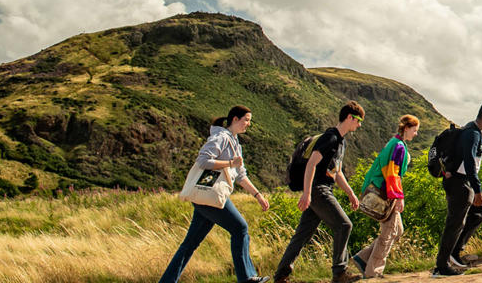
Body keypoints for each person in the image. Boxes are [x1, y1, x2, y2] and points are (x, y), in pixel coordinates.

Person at [159, 105, 272, 283]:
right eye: (246, 120)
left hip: (206, 196)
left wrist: (258, 195)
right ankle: (247, 278)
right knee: (240, 228)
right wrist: (229, 162)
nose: (248, 124)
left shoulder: (235, 143)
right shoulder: (221, 137)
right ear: (235, 119)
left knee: (190, 244)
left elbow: (241, 176)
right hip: (210, 196)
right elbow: (203, 160)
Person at [274, 101, 366, 283]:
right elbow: (311, 164)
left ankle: (281, 276)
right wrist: (307, 194)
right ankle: (339, 272)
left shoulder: (341, 142)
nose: (359, 125)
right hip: (318, 189)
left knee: (303, 234)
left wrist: (351, 194)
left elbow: (336, 171)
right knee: (344, 225)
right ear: (349, 117)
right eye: (358, 120)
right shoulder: (330, 138)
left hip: (321, 188)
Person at [431, 100, 482, 278]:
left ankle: (454, 253)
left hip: (461, 182)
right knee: (454, 223)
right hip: (459, 183)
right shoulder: (472, 134)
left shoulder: (472, 131)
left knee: (478, 213)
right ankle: (441, 266)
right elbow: (469, 163)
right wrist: (477, 190)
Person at [351, 115, 420, 279]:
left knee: (397, 231)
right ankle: (373, 272)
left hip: (385, 190)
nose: (416, 134)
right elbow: (392, 173)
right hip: (387, 193)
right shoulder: (399, 146)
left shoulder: (395, 143)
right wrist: (398, 197)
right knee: (388, 233)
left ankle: (363, 258)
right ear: (406, 128)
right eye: (415, 130)